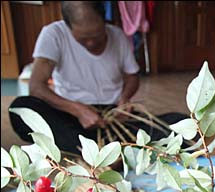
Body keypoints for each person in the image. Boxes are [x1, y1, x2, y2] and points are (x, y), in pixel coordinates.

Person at [8, 1, 188, 155]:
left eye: (97, 36)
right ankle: (98, 152)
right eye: (83, 39)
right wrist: (78, 110)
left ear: (104, 20)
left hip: (114, 117)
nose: (91, 43)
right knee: (21, 108)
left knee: (181, 124)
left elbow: (132, 77)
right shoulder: (53, 34)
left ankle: (92, 151)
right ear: (68, 25)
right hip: (70, 117)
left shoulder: (117, 35)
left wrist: (124, 99)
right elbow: (37, 87)